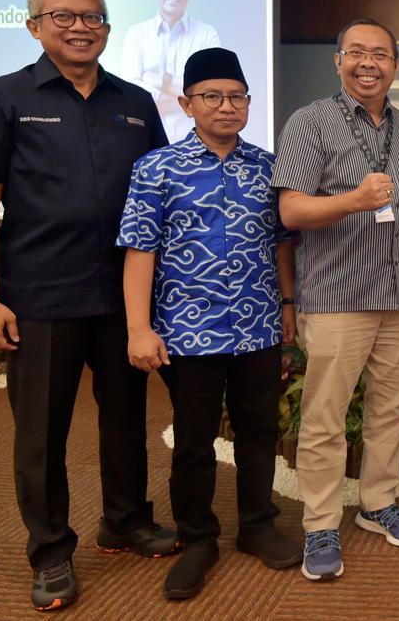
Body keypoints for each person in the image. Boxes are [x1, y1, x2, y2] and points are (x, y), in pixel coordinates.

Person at [0, 0, 177, 611]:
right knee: (41, 433)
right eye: (64, 17)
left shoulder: (135, 102)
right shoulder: (1, 97)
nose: (81, 28)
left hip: (122, 299)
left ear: (108, 28)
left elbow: (160, 194)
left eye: (93, 18)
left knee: (127, 418)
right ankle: (50, 550)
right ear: (35, 26)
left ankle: (125, 520)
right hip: (40, 297)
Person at [117, 48, 303, 600]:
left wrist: (287, 304)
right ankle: (198, 537)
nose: (226, 106)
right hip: (187, 332)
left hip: (258, 327)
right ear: (186, 104)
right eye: (212, 97)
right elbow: (140, 250)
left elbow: (282, 244)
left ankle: (256, 525)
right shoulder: (156, 168)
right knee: (194, 440)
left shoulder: (269, 167)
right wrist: (138, 329)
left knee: (259, 431)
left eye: (236, 96)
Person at [273, 18, 399, 582]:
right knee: (325, 417)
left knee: (391, 408)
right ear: (338, 60)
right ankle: (320, 522)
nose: (369, 63)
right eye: (357, 52)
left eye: (381, 54)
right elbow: (291, 210)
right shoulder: (309, 121)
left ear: (396, 65)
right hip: (337, 295)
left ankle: (377, 502)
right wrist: (353, 199)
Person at [119, 0, 221, 141]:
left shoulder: (207, 35)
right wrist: (188, 98)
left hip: (197, 147)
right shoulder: (136, 35)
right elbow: (130, 97)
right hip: (145, 144)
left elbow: (211, 94)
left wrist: (160, 81)